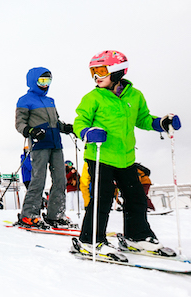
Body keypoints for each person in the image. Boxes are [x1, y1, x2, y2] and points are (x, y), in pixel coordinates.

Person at [72, 50, 181, 259]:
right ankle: (90, 240)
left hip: (126, 157)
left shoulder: (135, 95)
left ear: (117, 71)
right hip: (100, 155)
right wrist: (87, 132)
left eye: (101, 70)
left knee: (136, 197)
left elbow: (143, 119)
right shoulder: (93, 97)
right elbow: (80, 122)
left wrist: (161, 123)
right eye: (93, 72)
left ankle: (137, 237)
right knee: (102, 199)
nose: (96, 76)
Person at [14, 67, 74, 229]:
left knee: (61, 180)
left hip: (56, 144)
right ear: (33, 81)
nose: (45, 84)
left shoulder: (50, 101)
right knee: (38, 179)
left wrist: (65, 127)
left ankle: (56, 215)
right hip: (40, 145)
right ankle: (29, 214)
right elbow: (20, 123)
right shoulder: (25, 100)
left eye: (48, 81)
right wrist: (31, 131)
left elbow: (56, 122)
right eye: (41, 81)